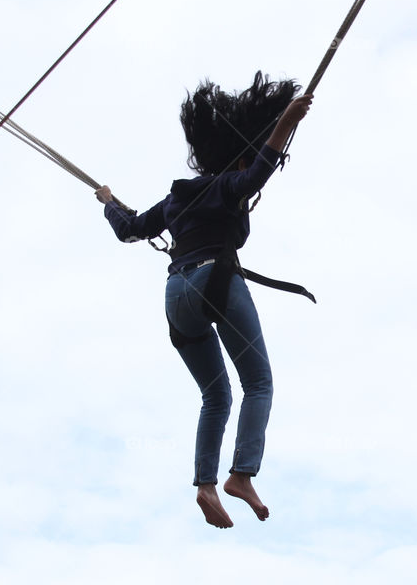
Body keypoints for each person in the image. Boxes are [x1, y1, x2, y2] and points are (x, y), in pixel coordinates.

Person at [94, 72, 313, 529]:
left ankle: (206, 486)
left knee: (215, 395)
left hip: (176, 297)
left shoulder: (175, 201)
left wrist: (109, 200)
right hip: (216, 281)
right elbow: (259, 172)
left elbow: (129, 229)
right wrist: (286, 123)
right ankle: (241, 474)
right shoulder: (227, 185)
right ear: (237, 159)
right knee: (259, 384)